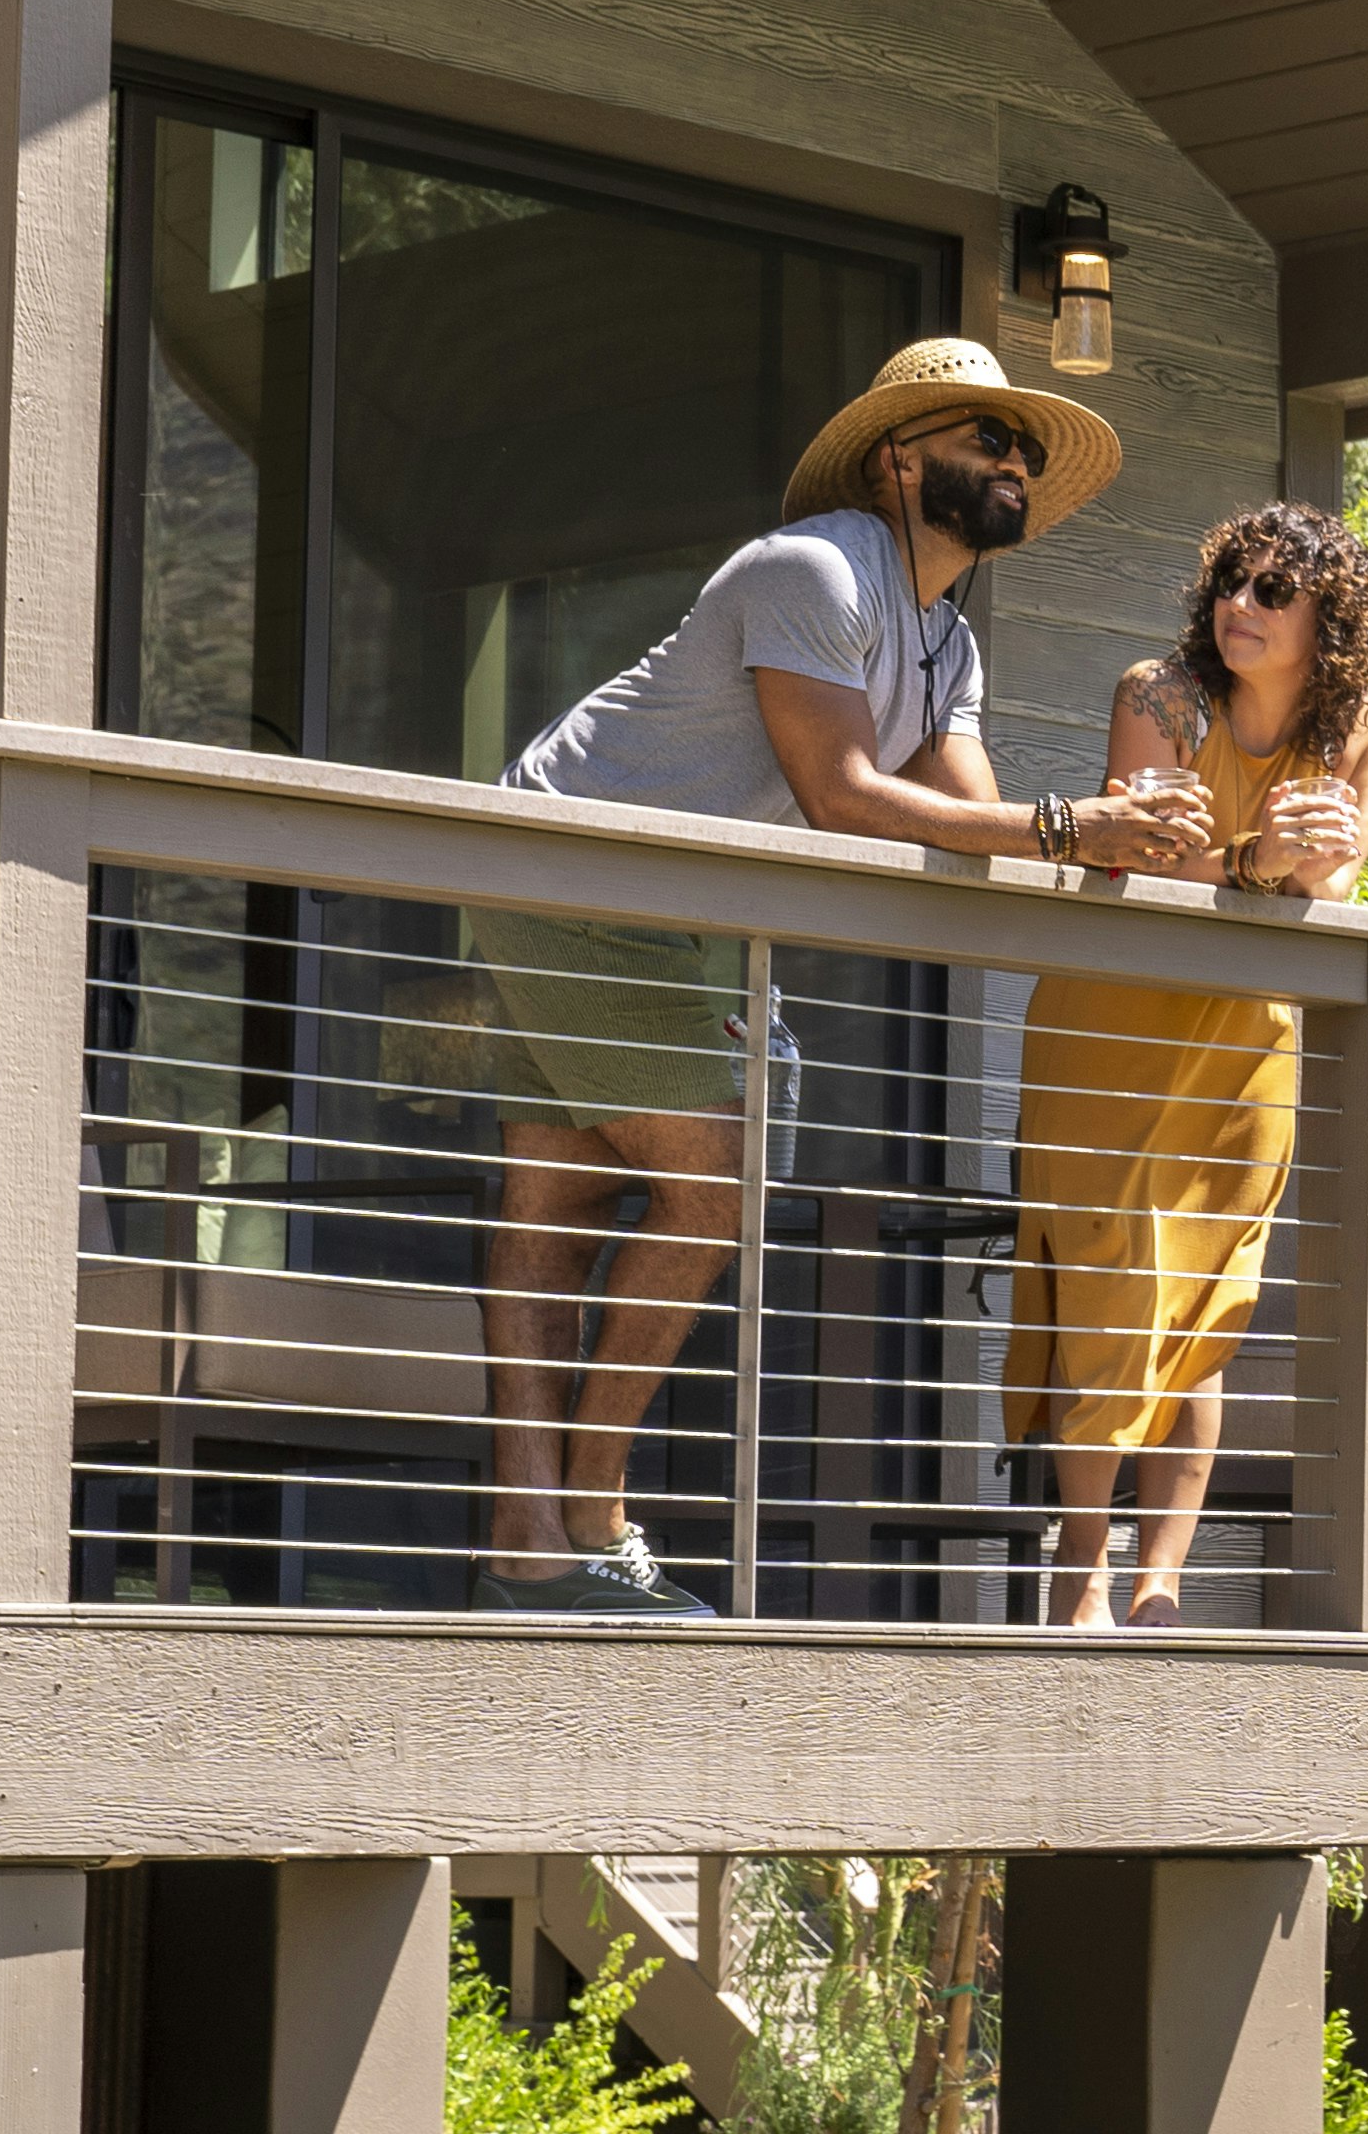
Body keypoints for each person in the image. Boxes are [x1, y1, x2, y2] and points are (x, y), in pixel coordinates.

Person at [462, 335, 1153, 1613]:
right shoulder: (813, 568)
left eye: (1026, 446)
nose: (1016, 458)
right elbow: (843, 795)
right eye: (988, 436)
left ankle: (526, 1550)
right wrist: (1067, 826)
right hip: (568, 869)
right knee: (715, 1181)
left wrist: (1121, 843)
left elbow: (975, 826)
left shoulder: (947, 645)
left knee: (559, 1205)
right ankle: (592, 1516)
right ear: (900, 461)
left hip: (676, 914)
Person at [1007, 502, 1368, 1628]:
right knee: (1113, 1299)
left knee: (1206, 1315)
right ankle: (1080, 1581)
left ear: (1330, 619)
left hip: (1245, 1044)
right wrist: (1263, 860)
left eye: (1273, 590)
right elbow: (1145, 861)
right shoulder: (1160, 696)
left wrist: (1296, 866)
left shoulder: (1359, 719)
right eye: (1231, 580)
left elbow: (1340, 883)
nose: (1240, 603)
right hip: (1110, 1030)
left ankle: (1160, 1588)